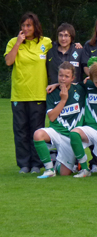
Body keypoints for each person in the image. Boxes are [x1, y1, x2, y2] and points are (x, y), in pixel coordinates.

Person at [4, 12, 52, 174]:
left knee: (37, 131)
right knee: (20, 131)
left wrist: (78, 46)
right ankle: (24, 164)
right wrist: (18, 43)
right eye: (23, 25)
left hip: (38, 94)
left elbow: (64, 48)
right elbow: (9, 61)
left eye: (29, 25)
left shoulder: (46, 42)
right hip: (19, 95)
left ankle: (37, 164)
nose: (26, 28)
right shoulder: (13, 42)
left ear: (35, 26)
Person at [33, 62, 85, 178]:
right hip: (56, 131)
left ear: (72, 78)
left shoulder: (80, 89)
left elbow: (95, 82)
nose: (63, 79)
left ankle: (55, 156)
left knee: (64, 173)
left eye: (67, 76)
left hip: (71, 137)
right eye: (61, 76)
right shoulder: (52, 92)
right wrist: (63, 100)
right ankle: (49, 169)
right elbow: (51, 117)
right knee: (38, 134)